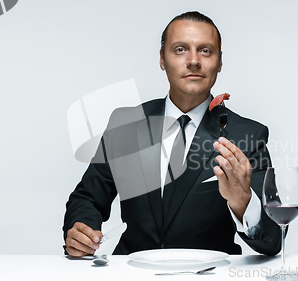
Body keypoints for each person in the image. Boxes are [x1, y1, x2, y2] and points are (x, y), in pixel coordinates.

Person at [63, 11, 281, 257]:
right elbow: (87, 198)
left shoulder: (248, 136)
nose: (193, 60)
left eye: (206, 51)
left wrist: (243, 203)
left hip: (208, 274)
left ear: (220, 62)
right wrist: (81, 230)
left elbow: (273, 240)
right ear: (162, 59)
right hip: (132, 272)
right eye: (180, 49)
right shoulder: (126, 123)